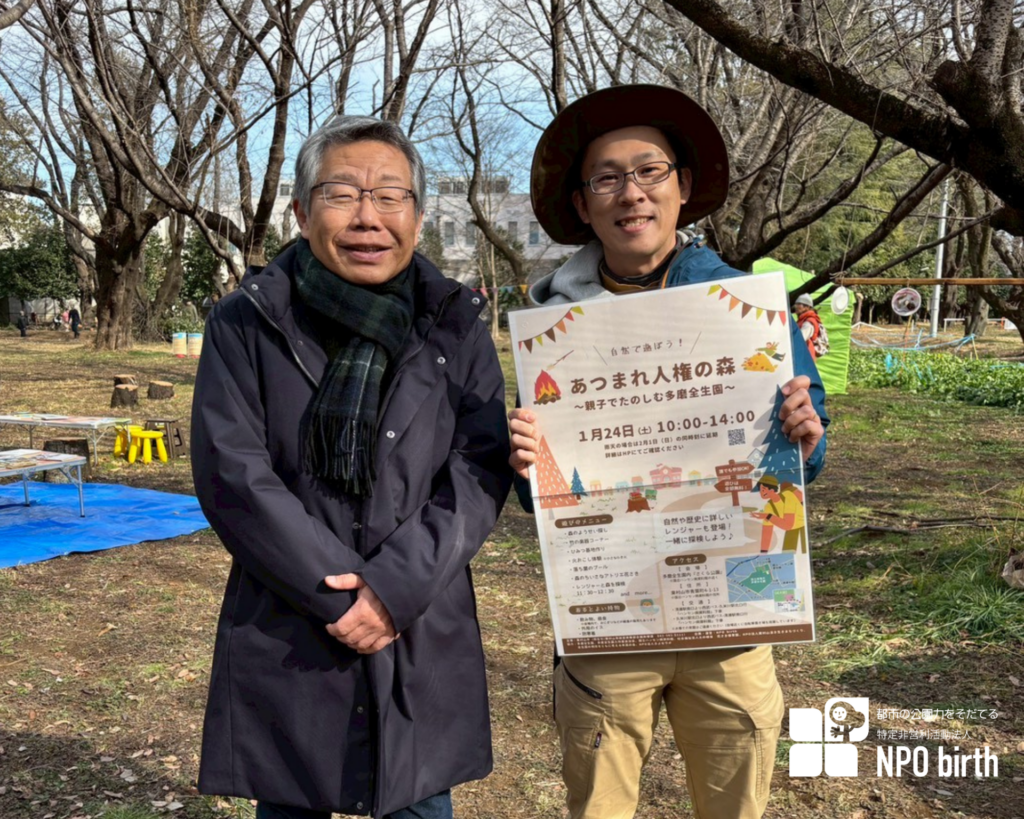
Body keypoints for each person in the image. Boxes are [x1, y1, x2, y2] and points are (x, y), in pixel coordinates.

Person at [507, 85, 829, 819]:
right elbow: (541, 495)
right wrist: (525, 461)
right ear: (583, 205)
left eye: (649, 171)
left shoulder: (746, 308)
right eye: (607, 178)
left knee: (734, 803)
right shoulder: (554, 327)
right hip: (611, 613)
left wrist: (807, 437)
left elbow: (806, 460)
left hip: (733, 610)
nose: (632, 193)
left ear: (683, 189)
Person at [190, 115, 512, 819]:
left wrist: (392, 589)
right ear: (302, 212)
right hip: (292, 611)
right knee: (291, 797)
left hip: (418, 616)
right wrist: (339, 595)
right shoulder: (247, 322)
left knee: (417, 797)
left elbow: (479, 465)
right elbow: (233, 471)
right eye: (342, 193)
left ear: (418, 217)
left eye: (390, 195)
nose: (369, 216)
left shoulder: (454, 323)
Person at [750, 474, 807, 554]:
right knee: (787, 556)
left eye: (764, 489)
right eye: (760, 490)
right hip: (791, 531)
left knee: (802, 555)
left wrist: (768, 516)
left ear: (772, 489)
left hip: (804, 528)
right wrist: (763, 552)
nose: (762, 493)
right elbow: (767, 530)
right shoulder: (768, 506)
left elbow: (788, 525)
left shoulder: (788, 496)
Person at [793, 293, 824, 360]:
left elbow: (799, 339)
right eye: (796, 304)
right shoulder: (803, 320)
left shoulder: (809, 323)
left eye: (799, 304)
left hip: (804, 358)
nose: (796, 306)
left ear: (807, 307)